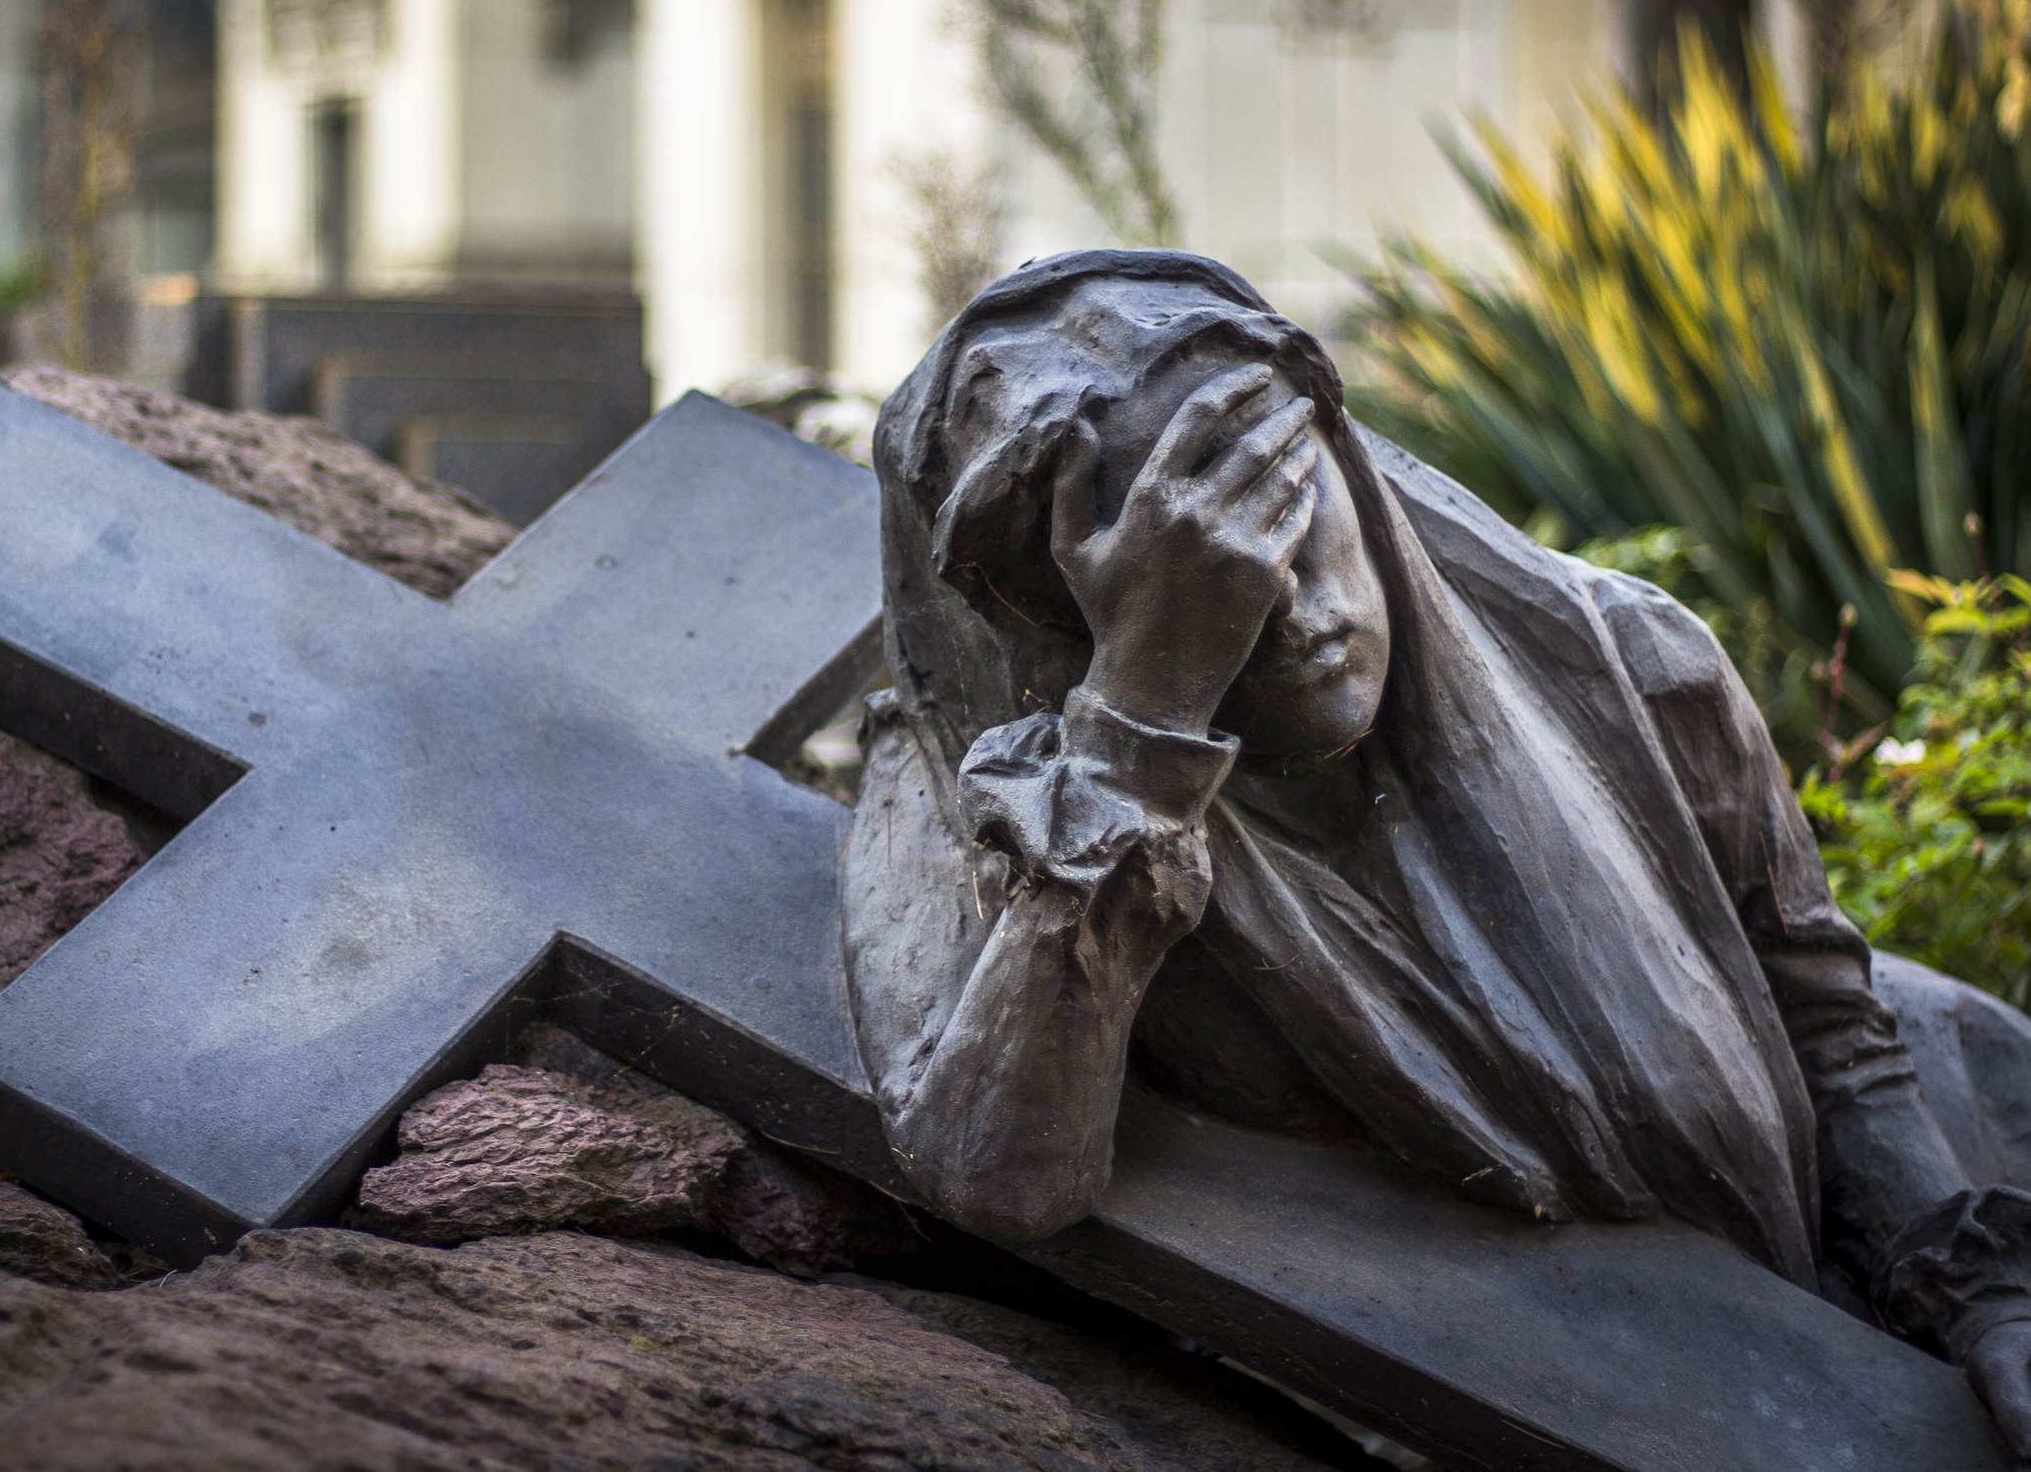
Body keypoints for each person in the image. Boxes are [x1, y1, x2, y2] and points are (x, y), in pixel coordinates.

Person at [843, 249, 2031, 1446]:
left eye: (1298, 530)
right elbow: (1000, 1174)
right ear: (1060, 632)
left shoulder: (1635, 667)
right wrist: (1142, 720)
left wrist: (1988, 1301)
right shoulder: (1019, 808)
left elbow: (1829, 1028)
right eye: (1213, 598)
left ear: (1353, 469)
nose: (1299, 619)